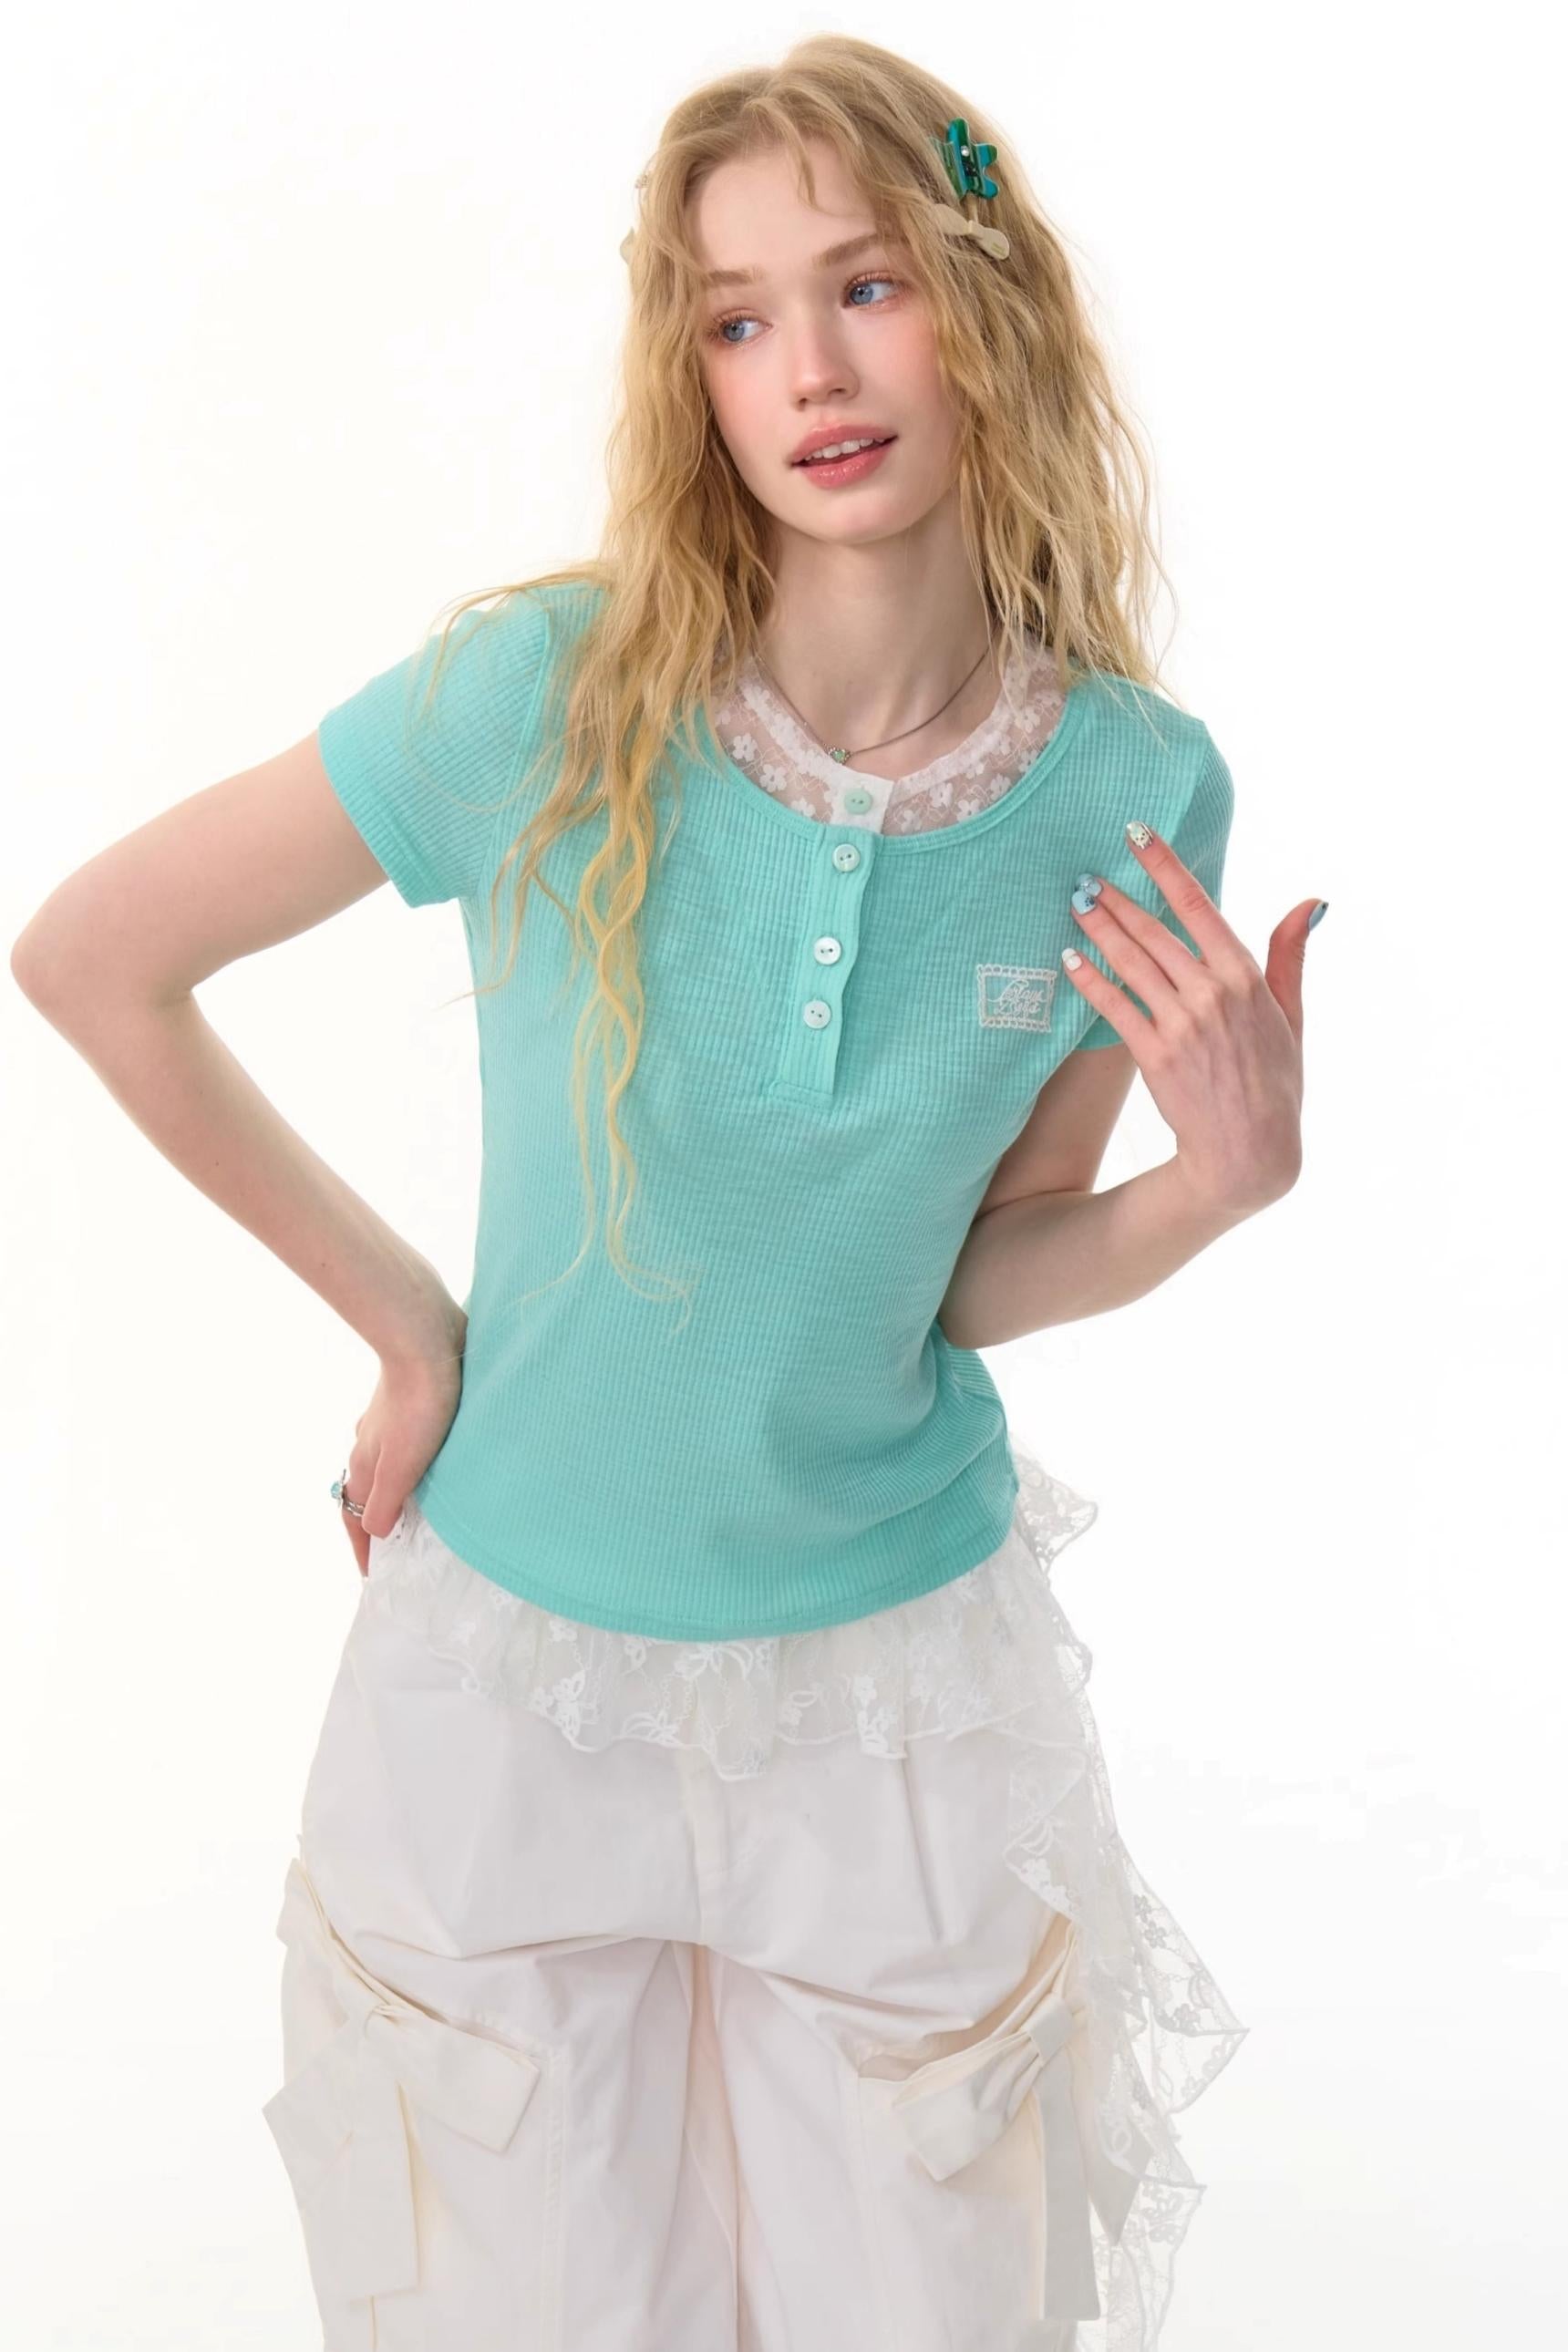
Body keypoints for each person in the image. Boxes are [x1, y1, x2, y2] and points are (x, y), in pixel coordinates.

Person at [12, 33, 1324, 2352]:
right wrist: (412, 1329)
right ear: (688, 373)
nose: (807, 368)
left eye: (866, 285)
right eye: (735, 318)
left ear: (984, 302)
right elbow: (98, 958)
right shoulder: (542, 695)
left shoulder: (1131, 791)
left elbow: (970, 1271)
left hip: (893, 1710)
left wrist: (1213, 1194)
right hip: (503, 1695)